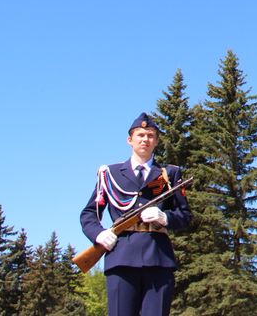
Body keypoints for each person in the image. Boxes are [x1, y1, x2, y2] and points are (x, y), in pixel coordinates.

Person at [80, 114, 192, 315]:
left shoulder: (170, 174)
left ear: (156, 141)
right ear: (129, 140)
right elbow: (89, 213)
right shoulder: (110, 174)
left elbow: (185, 215)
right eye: (140, 135)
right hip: (121, 257)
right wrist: (99, 234)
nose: (145, 139)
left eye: (150, 135)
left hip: (158, 258)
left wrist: (164, 217)